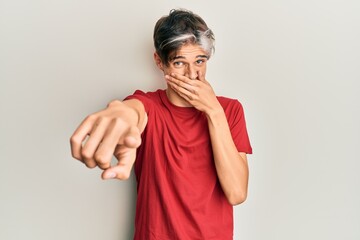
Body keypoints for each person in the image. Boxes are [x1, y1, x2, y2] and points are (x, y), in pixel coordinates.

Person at [70, 9, 252, 240]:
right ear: (160, 62)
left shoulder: (230, 110)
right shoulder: (148, 105)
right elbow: (133, 112)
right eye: (179, 63)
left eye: (199, 61)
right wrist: (121, 114)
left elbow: (237, 193)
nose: (192, 75)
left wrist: (213, 111)